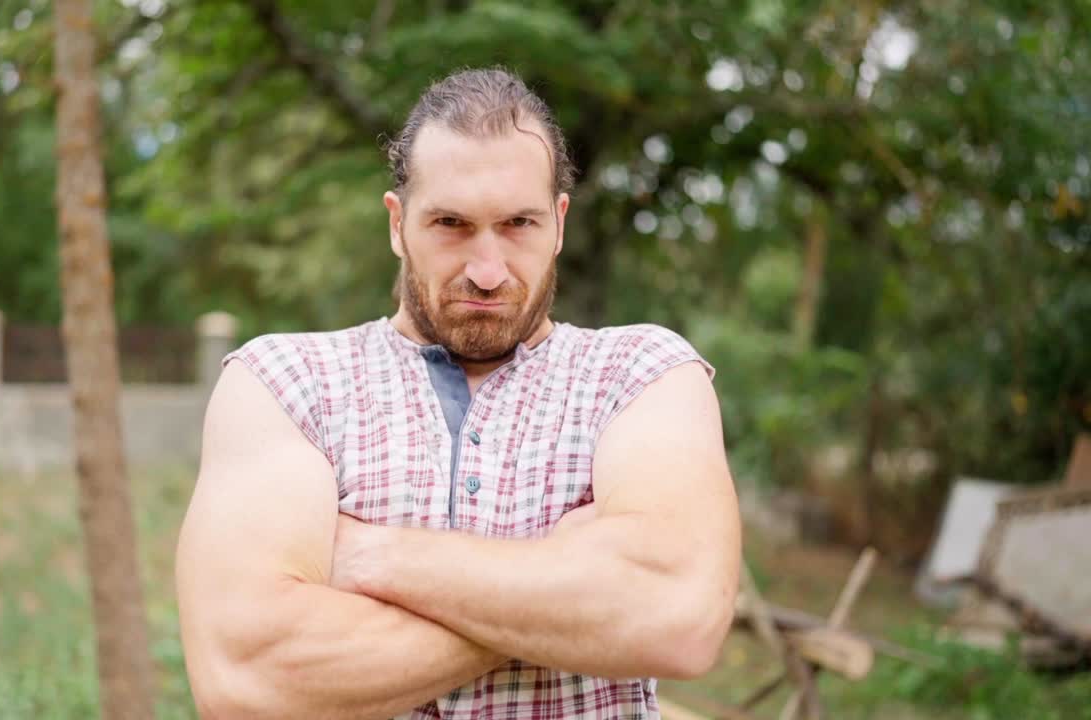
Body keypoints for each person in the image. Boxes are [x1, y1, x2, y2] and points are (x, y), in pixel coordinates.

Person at [175, 67, 741, 720]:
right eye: (451, 223)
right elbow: (246, 676)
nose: (487, 271)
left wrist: (367, 555)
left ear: (559, 222)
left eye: (519, 224)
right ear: (398, 224)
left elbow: (675, 617)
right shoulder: (284, 383)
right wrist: (567, 586)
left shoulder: (642, 374)